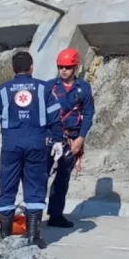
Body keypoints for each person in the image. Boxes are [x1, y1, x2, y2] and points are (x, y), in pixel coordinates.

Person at [0, 50, 60, 248]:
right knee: (35, 188)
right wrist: (57, 141)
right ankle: (33, 237)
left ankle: (4, 238)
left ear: (13, 69)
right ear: (32, 67)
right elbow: (55, 117)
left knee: (7, 188)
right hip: (36, 145)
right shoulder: (44, 89)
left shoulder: (2, 91)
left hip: (11, 146)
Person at [44, 47, 94, 229]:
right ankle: (33, 214)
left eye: (67, 67)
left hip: (71, 139)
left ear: (75, 67)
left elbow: (88, 114)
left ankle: (56, 214)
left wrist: (81, 138)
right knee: (41, 175)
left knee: (62, 178)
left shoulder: (83, 88)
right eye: (60, 67)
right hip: (50, 137)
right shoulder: (49, 87)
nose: (63, 70)